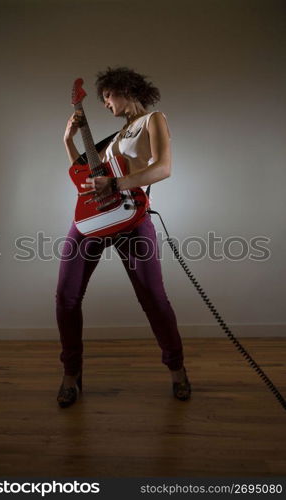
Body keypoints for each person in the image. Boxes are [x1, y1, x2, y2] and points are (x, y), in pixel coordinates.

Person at [56, 67, 191, 407]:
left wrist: (115, 183)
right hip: (92, 220)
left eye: (107, 97)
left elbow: (163, 168)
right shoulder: (115, 139)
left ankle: (177, 371)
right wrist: (68, 142)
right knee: (66, 297)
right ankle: (71, 373)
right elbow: (87, 180)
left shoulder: (153, 120)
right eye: (99, 100)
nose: (104, 104)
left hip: (132, 220)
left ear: (125, 90)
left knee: (153, 299)